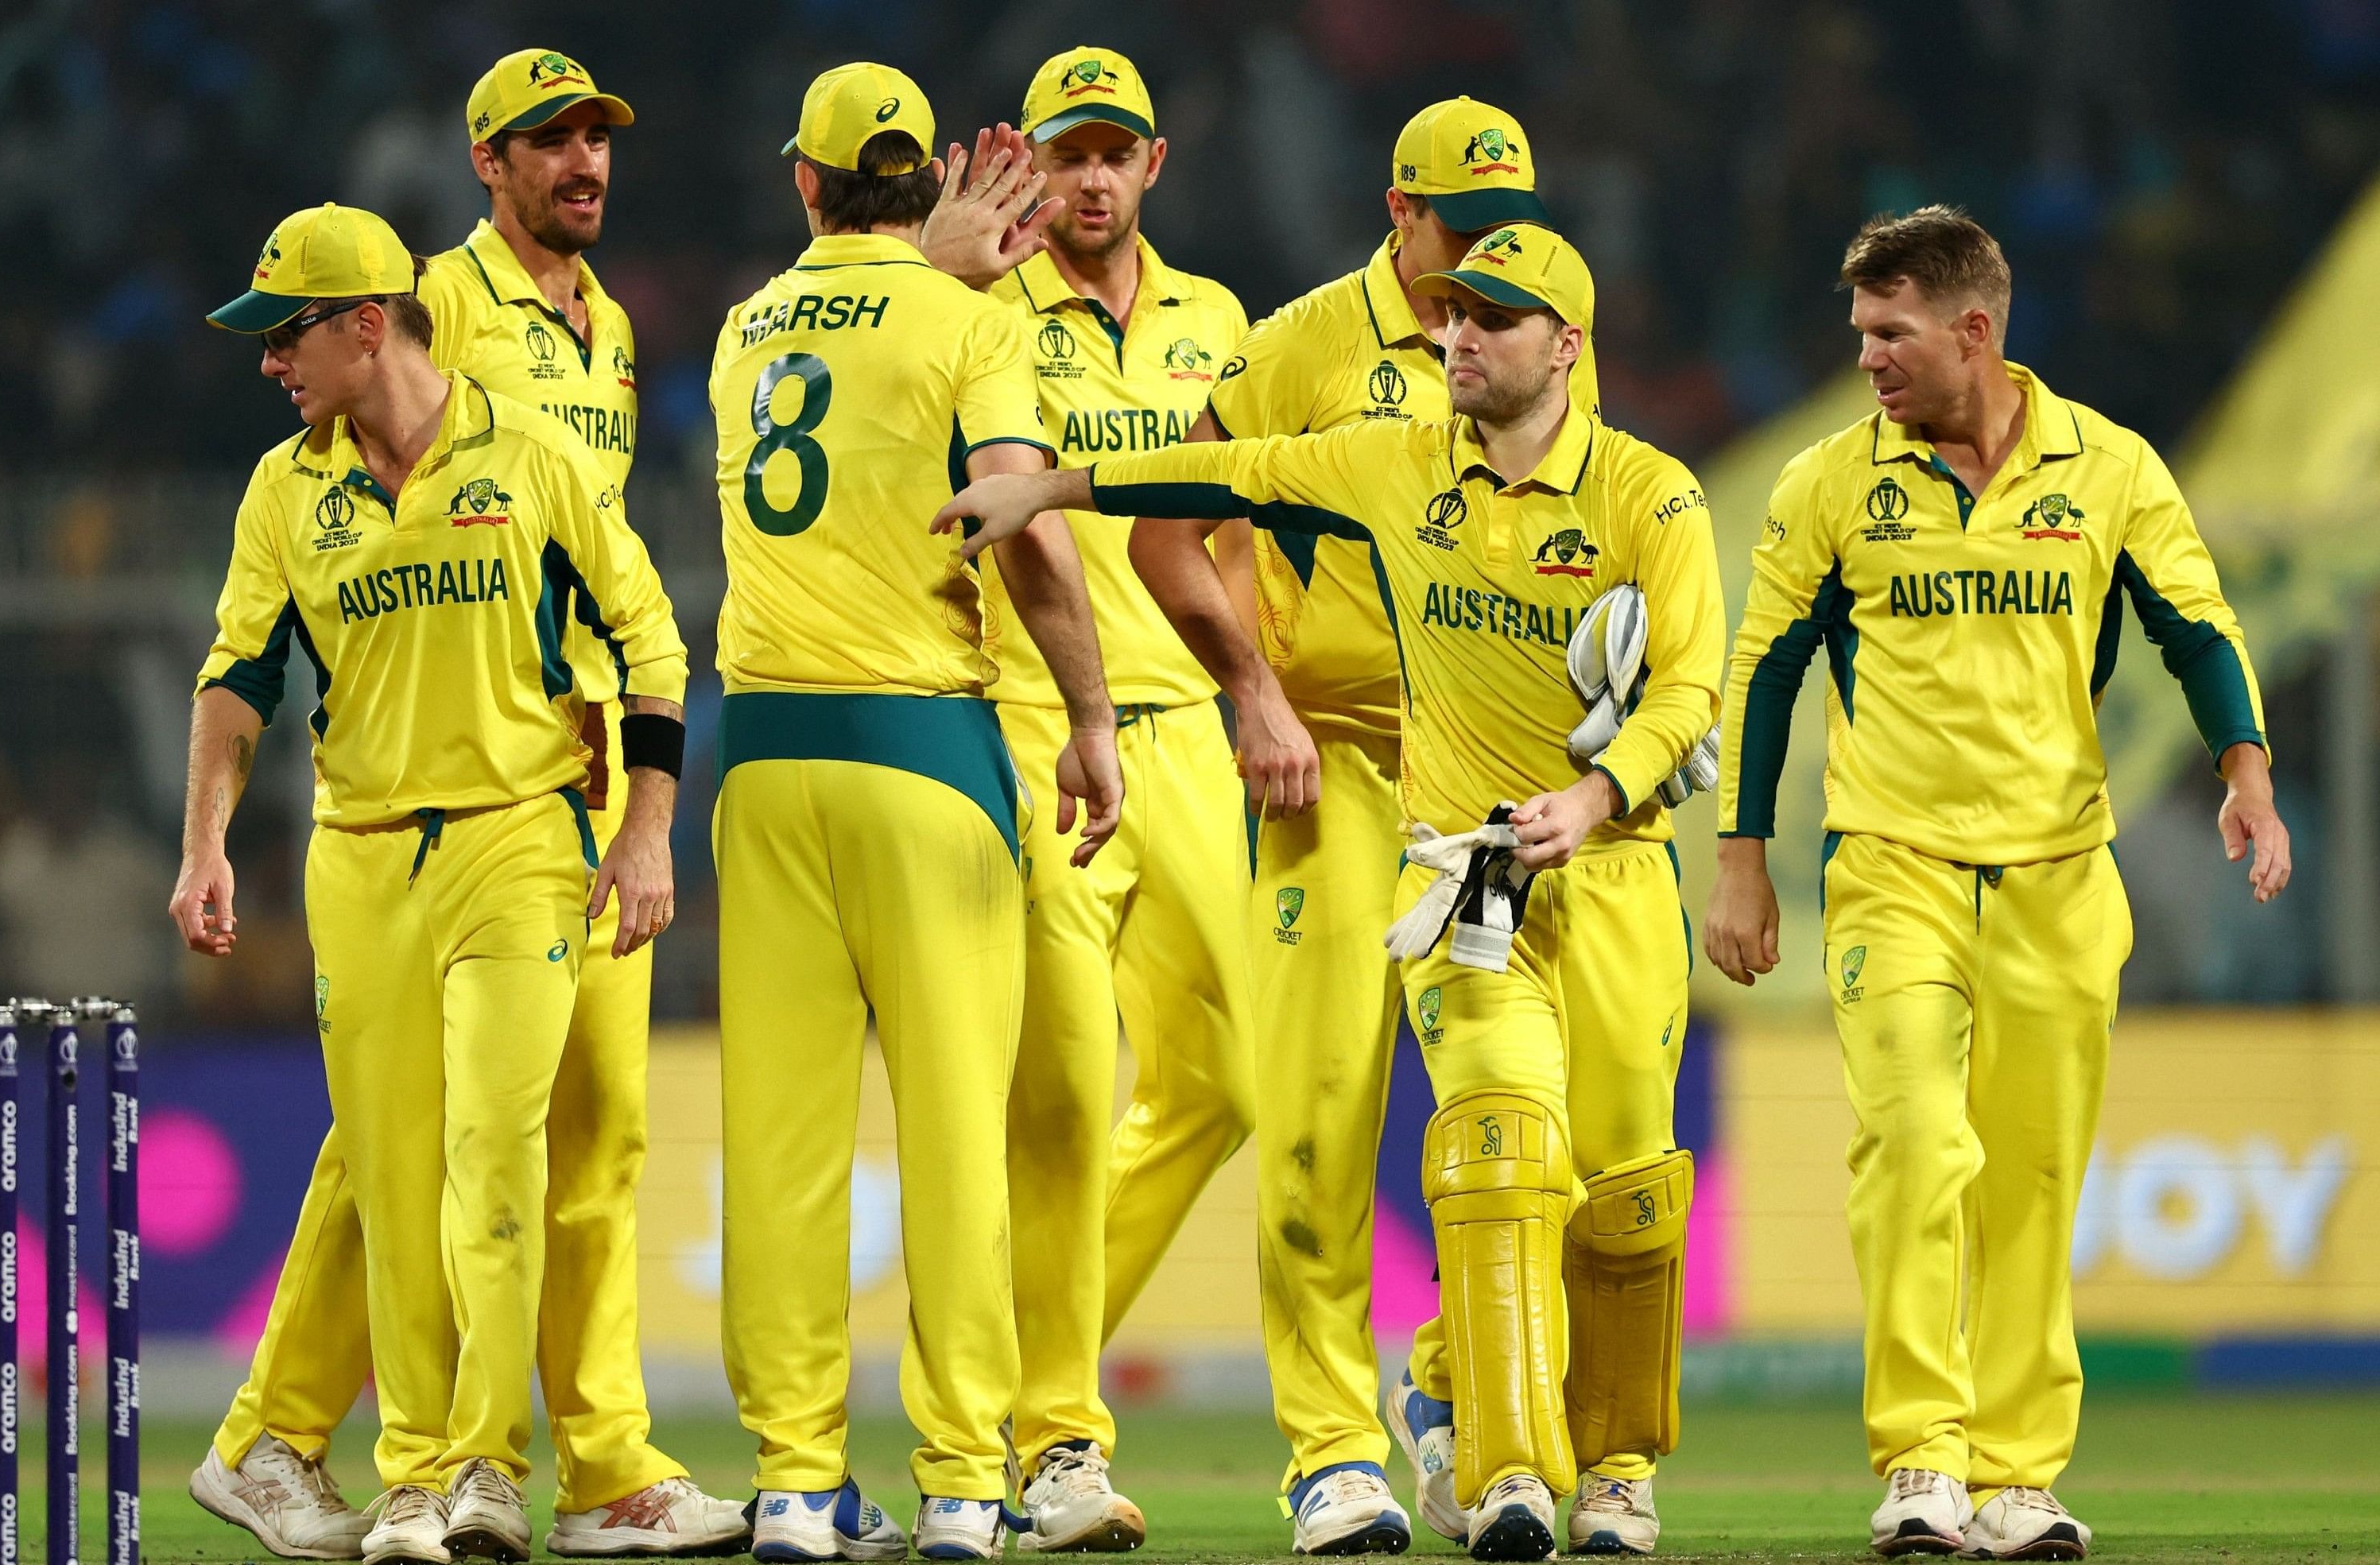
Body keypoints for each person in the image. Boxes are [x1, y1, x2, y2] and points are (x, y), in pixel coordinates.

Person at [938, 223, 1719, 1565]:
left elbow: (1699, 690)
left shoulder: (1655, 498)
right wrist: (1050, 490)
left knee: (1628, 1192)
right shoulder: (1394, 462)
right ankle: (1507, 1473)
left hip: (1619, 872)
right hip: (1458, 871)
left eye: (1494, 315)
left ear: (1568, 345)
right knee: (1491, 1153)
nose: (1456, 332)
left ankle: (1607, 1457)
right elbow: (1221, 466)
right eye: (1453, 309)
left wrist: (1599, 795)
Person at [190, 52, 750, 1560]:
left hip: (562, 784)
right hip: (465, 784)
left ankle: (584, 1458)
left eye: (595, 137)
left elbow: (603, 571)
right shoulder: (427, 306)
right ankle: (392, 1444)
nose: (582, 160)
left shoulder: (611, 323)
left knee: (591, 1131)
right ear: (485, 164)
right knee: (430, 1147)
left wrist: (632, 789)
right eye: (546, 141)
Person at [1703, 206, 2292, 1561]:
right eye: (1860, 333)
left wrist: (2246, 775)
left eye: (1891, 333)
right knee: (1913, 1145)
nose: (1868, 360)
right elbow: (1766, 670)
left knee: (2031, 1176)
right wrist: (1742, 863)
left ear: (1976, 330)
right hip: (1892, 869)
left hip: (2058, 878)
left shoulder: (2113, 471)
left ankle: (2019, 1478)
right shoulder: (1829, 483)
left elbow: (2200, 626)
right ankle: (1922, 1458)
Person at [1174, 97, 1622, 1554]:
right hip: (1338, 772)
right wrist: (1252, 690)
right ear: (1395, 210)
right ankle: (1330, 1452)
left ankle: (1442, 1394)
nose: (1475, 261)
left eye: (1503, 226)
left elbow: (1580, 533)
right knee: (1314, 1114)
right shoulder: (1302, 345)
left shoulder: (1547, 324)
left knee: (1511, 1114)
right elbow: (1172, 517)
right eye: (1453, 228)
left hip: (1485, 791)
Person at [711, 63, 1122, 1565]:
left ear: (804, 182)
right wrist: (1086, 718)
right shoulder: (976, 321)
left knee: (785, 1145)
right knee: (956, 1135)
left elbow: (848, 359)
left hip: (759, 759)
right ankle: (960, 1482)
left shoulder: (741, 327)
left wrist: (918, 273)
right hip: (924, 747)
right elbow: (1017, 523)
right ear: (925, 182)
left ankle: (798, 1490)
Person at [969, 46, 1253, 1551]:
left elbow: (1236, 523)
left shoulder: (1219, 323)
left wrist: (1257, 685)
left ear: (1155, 163)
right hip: (1038, 734)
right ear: (1036, 162)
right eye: (1066, 153)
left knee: (1233, 1082)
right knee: (1068, 1097)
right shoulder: (986, 313)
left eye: (1114, 153)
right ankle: (1056, 1434)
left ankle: (1027, 1388)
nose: (1090, 179)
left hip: (1195, 737)